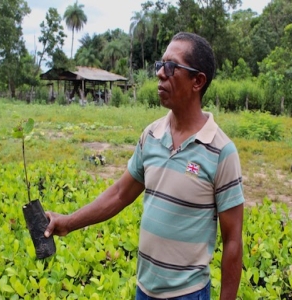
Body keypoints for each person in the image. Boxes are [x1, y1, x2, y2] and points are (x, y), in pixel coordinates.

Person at [44, 32, 244, 300]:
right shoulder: (151, 135)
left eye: (171, 67)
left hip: (188, 294)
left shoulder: (221, 151)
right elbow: (119, 194)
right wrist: (68, 222)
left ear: (198, 81)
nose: (161, 73)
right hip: (144, 290)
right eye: (160, 65)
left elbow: (232, 240)